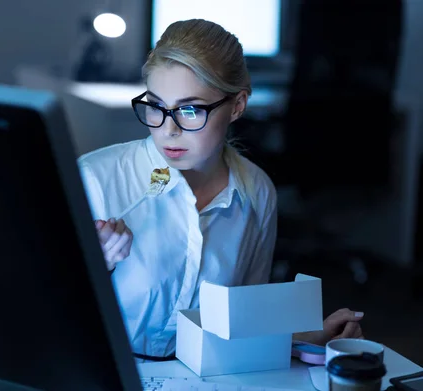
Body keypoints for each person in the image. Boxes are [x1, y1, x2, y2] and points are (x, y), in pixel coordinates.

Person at [77, 19, 364, 360]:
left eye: (189, 110)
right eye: (156, 107)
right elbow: (42, 317)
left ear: (238, 105)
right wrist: (93, 268)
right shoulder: (94, 180)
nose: (168, 130)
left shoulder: (256, 194)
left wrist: (301, 337)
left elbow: (240, 324)